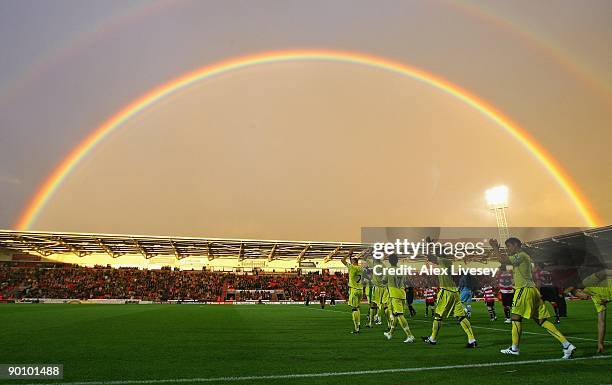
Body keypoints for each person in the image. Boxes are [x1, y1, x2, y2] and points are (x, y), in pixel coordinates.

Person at [490, 238, 575, 358]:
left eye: (509, 246)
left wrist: (494, 248)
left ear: (516, 245)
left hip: (523, 291)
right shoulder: (524, 257)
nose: (508, 249)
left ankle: (514, 348)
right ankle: (567, 345)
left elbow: (502, 260)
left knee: (515, 318)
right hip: (532, 291)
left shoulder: (521, 255)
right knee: (542, 321)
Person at [422, 238, 477, 348]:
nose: (436, 254)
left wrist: (428, 245)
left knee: (438, 316)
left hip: (446, 292)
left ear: (441, 254)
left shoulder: (443, 261)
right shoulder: (447, 262)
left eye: (438, 252)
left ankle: (432, 339)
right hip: (454, 292)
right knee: (461, 317)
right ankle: (472, 340)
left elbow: (430, 256)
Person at [567, 270, 611, 353]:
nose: (582, 299)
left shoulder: (587, 282)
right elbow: (601, 323)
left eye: (580, 296)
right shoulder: (596, 300)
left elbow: (602, 272)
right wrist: (600, 343)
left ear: (579, 290)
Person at [382, 254, 415, 342]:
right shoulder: (402, 270)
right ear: (397, 261)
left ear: (389, 261)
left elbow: (384, 281)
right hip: (402, 294)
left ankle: (410, 335)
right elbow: (405, 281)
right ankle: (390, 333)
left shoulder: (388, 270)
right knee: (396, 315)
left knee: (399, 315)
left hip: (394, 295)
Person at [342, 252, 363, 334]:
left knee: (354, 309)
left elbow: (342, 260)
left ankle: (356, 328)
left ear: (353, 262)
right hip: (360, 290)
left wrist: (348, 254)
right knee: (357, 307)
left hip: (354, 290)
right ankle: (359, 323)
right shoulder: (361, 268)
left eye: (351, 261)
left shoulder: (351, 267)